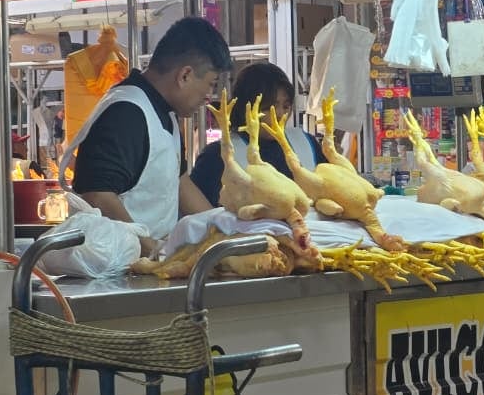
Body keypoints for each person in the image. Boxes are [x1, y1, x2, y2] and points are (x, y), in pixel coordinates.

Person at [62, 17, 227, 257]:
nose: (208, 97)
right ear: (185, 76)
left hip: (147, 269)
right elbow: (97, 193)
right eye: (210, 84)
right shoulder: (126, 113)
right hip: (114, 271)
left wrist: (222, 233)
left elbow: (178, 183)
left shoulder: (165, 114)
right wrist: (149, 248)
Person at [189, 62, 321, 207]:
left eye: (286, 106)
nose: (280, 114)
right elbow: (200, 218)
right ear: (244, 108)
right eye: (267, 107)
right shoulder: (217, 156)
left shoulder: (307, 144)